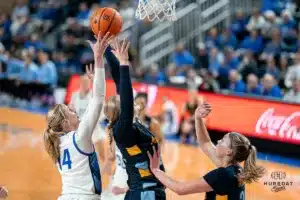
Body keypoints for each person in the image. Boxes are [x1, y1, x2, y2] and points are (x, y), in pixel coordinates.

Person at [147, 101, 266, 200]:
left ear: (228, 152)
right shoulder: (234, 169)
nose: (218, 141)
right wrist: (198, 118)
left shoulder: (223, 175)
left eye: (223, 141)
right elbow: (205, 143)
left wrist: (156, 170)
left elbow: (180, 189)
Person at [43, 32, 113, 200]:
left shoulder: (56, 144)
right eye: (71, 111)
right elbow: (98, 98)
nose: (75, 111)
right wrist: (98, 59)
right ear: (66, 123)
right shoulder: (80, 137)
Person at [103, 38, 166, 200]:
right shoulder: (124, 128)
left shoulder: (129, 125)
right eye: (123, 101)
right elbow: (125, 92)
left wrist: (106, 50)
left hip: (138, 182)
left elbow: (118, 79)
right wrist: (124, 64)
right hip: (134, 184)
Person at [101, 92, 164, 200]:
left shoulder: (149, 124)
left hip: (137, 177)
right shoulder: (120, 130)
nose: (137, 104)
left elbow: (159, 143)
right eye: (135, 102)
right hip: (128, 176)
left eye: (140, 103)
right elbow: (112, 154)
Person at [69, 64, 106, 161]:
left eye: (88, 82)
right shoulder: (75, 95)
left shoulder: (93, 95)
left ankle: (106, 173)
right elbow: (71, 110)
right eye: (84, 82)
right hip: (80, 129)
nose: (86, 84)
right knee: (82, 156)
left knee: (102, 155)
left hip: (94, 128)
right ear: (80, 82)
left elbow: (102, 110)